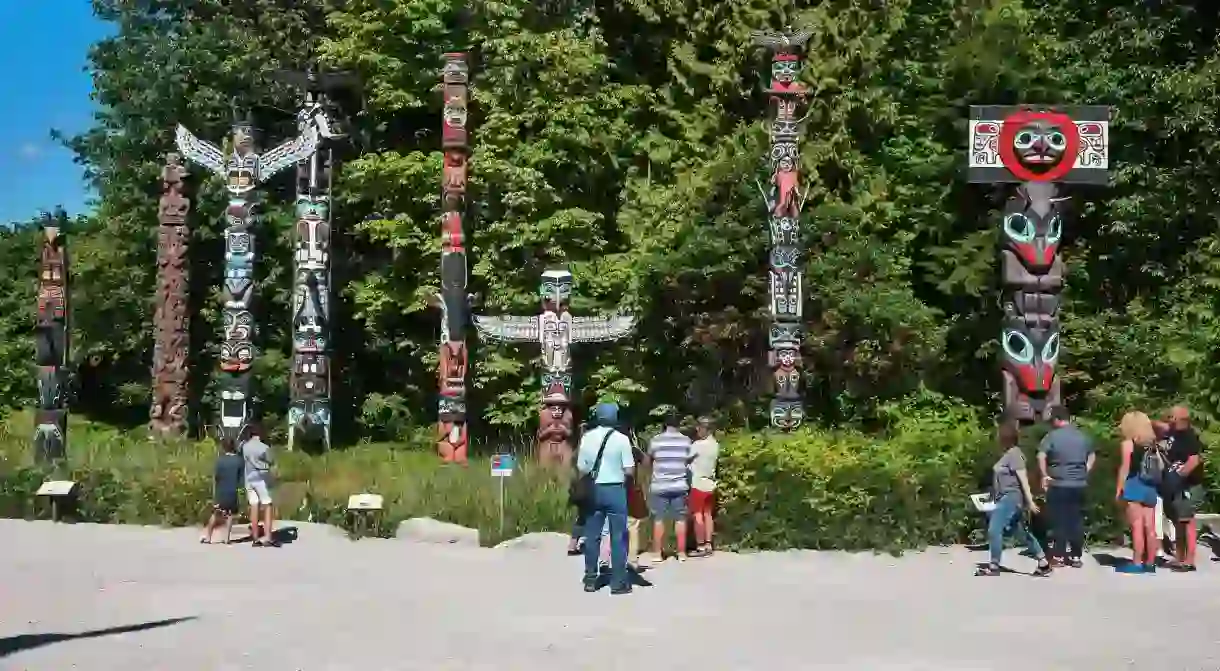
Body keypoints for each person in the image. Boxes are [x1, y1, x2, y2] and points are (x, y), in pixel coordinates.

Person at [975, 421, 1052, 577]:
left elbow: (1023, 480)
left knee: (994, 529)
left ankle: (994, 565)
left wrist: (1029, 501)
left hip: (1010, 498)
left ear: (1005, 437)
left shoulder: (1015, 455)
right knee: (1021, 532)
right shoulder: (1008, 454)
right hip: (1004, 497)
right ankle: (1043, 563)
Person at [575, 402, 635, 594]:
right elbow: (629, 469)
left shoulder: (587, 438)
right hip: (616, 489)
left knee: (592, 535)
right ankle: (618, 582)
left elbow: (582, 468)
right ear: (615, 417)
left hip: (593, 490)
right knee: (618, 536)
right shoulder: (622, 439)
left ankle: (591, 579)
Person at [1036, 406, 1094, 567]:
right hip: (1079, 483)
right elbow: (1092, 454)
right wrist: (1086, 469)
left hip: (1058, 483)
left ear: (1055, 419)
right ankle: (1076, 556)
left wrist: (1044, 475)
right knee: (1075, 519)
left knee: (1059, 520)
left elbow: (1041, 455)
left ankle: (1060, 556)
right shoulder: (1082, 436)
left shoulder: (1051, 437)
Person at [1116, 411, 1160, 573]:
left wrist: (1119, 489)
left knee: (1136, 526)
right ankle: (1150, 562)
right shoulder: (1153, 443)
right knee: (1150, 527)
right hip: (1150, 486)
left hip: (1134, 485)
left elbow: (1125, 469)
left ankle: (1136, 562)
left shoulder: (1128, 444)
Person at [645, 411, 692, 565]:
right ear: (678, 424)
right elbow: (688, 461)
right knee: (680, 519)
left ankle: (658, 553)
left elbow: (649, 460)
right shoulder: (686, 441)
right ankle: (681, 553)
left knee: (659, 519)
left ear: (664, 424)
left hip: (660, 485)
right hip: (679, 485)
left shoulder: (656, 440)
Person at [1162, 405, 1205, 572]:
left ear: (1180, 419)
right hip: (1177, 486)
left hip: (1189, 486)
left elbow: (1194, 460)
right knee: (1179, 522)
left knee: (1187, 522)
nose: (1169, 419)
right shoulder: (1174, 433)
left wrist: (1178, 478)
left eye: (1171, 416)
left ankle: (1189, 560)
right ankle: (1180, 557)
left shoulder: (1188, 437)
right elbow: (1161, 426)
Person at [240, 422, 277, 547]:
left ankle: (255, 537)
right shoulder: (264, 447)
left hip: (249, 478)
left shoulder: (245, 446)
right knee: (267, 504)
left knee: (254, 505)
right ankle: (267, 537)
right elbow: (271, 461)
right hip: (261, 478)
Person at [201, 438, 244, 544]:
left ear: (224, 447)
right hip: (232, 492)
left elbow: (215, 478)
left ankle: (208, 537)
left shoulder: (220, 460)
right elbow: (241, 479)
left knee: (215, 514)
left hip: (221, 491)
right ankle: (227, 538)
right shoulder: (239, 461)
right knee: (230, 515)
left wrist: (214, 493)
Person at [688, 416, 720, 557]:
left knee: (697, 515)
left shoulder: (697, 445)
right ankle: (708, 543)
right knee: (708, 515)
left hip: (698, 483)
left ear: (705, 429)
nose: (697, 430)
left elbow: (686, 460)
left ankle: (700, 545)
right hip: (711, 484)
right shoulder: (715, 444)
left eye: (699, 428)